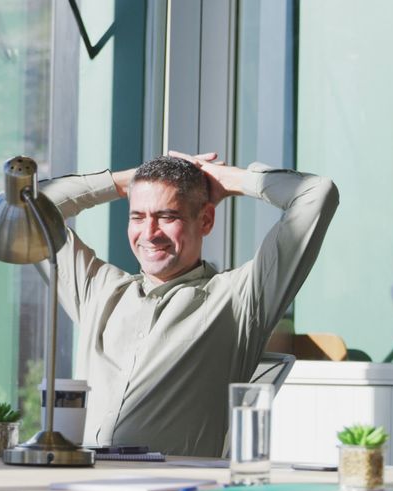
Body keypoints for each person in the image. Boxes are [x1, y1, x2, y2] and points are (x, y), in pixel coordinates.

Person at [38, 151, 339, 456]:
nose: (149, 233)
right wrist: (130, 181)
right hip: (85, 485)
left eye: (166, 217)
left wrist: (231, 180)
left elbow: (317, 194)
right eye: (137, 216)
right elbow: (29, 205)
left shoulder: (239, 298)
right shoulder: (99, 291)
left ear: (206, 219)